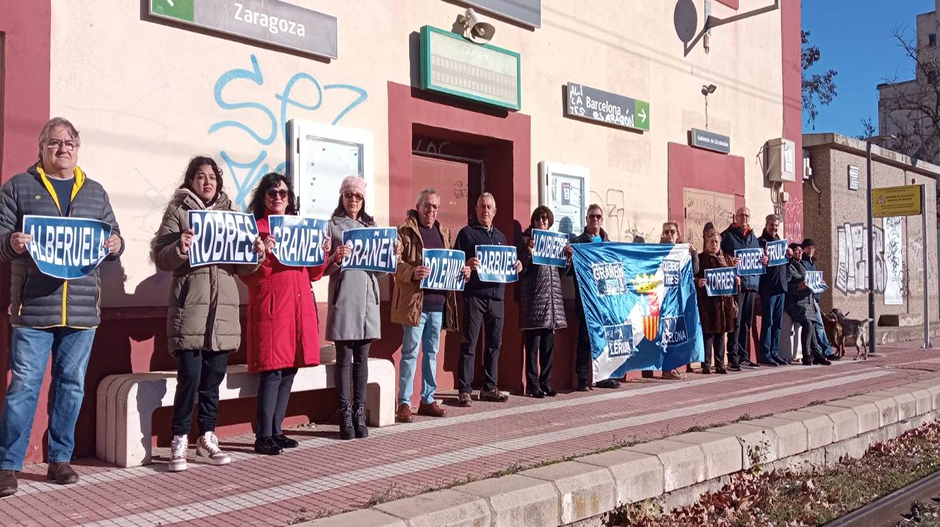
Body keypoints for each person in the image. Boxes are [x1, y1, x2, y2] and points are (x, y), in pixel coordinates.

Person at [0, 118, 124, 495]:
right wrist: (12, 242)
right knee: (23, 387)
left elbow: (112, 235)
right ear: (41, 148)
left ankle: (60, 459)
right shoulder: (19, 187)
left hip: (82, 311)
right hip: (33, 309)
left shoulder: (96, 192)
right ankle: (7, 465)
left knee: (71, 386)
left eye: (70, 142)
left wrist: (116, 245)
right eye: (54, 143)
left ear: (77, 148)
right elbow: (0, 235)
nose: (63, 148)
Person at [152, 156, 265, 472]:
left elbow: (242, 266)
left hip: (223, 313)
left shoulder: (232, 215)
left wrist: (255, 255)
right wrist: (180, 246)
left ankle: (207, 436)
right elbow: (161, 257)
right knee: (189, 377)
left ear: (218, 181)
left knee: (214, 378)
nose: (207, 181)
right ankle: (178, 439)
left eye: (212, 176)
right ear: (191, 181)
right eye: (200, 176)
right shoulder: (178, 212)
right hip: (191, 309)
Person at [241, 173, 330, 455]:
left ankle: (276, 430)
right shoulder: (256, 228)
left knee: (289, 367)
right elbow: (249, 276)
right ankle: (262, 434)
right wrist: (263, 252)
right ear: (263, 197)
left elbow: (314, 273)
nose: (277, 197)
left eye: (282, 193)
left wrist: (323, 252)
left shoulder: (300, 228)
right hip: (272, 307)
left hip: (298, 306)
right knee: (272, 369)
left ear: (289, 198)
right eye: (272, 192)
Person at [392, 188, 470, 421]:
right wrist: (412, 272)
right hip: (415, 305)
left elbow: (452, 265)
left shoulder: (443, 233)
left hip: (438, 305)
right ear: (418, 206)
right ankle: (404, 403)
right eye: (427, 205)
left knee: (432, 354)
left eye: (435, 206)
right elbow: (394, 264)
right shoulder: (404, 231)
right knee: (410, 354)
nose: (431, 210)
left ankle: (428, 399)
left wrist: (463, 270)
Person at [325, 176, 381, 439]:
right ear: (341, 197)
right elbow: (321, 267)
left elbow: (379, 272)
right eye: (349, 196)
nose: (353, 201)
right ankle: (344, 413)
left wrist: (388, 256)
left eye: (358, 197)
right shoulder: (332, 226)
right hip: (345, 300)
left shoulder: (372, 227)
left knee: (362, 361)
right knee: (344, 361)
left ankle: (360, 411)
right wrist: (336, 259)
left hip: (368, 304)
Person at [454, 193, 522, 406]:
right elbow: (455, 264)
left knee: (494, 344)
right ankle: (464, 389)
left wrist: (517, 266)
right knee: (470, 343)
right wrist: (467, 263)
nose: (485, 210)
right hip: (474, 296)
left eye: (489, 207)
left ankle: (489, 387)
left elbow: (507, 266)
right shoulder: (466, 234)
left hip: (497, 298)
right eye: (482, 206)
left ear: (495, 211)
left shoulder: (501, 238)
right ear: (476, 209)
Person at [519, 206, 569, 398]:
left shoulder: (555, 242)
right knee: (533, 347)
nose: (542, 222)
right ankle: (532, 385)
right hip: (534, 302)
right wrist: (528, 253)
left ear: (549, 222)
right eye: (538, 219)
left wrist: (567, 259)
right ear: (533, 222)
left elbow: (561, 273)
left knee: (548, 346)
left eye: (545, 220)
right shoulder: (526, 241)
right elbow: (522, 269)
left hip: (552, 302)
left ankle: (545, 382)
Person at [570, 204, 621, 391]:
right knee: (584, 340)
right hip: (586, 301)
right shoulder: (578, 242)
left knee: (605, 340)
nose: (595, 219)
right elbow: (570, 272)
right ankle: (582, 379)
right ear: (586, 219)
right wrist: (570, 256)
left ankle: (603, 377)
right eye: (591, 216)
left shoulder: (608, 243)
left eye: (598, 216)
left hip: (606, 302)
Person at [720, 207, 767, 370]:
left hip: (752, 285)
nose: (744, 218)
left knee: (746, 321)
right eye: (741, 215)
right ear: (736, 217)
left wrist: (763, 260)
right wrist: (729, 261)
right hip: (736, 285)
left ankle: (743, 356)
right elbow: (720, 256)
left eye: (747, 215)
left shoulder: (753, 237)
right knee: (736, 321)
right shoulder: (727, 236)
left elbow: (758, 257)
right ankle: (733, 357)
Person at [657, 221, 698, 378]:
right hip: (662, 300)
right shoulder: (656, 252)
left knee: (675, 334)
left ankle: (671, 367)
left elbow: (694, 270)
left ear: (677, 235)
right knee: (663, 334)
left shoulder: (682, 252)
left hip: (678, 300)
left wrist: (693, 255)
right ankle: (664, 368)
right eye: (666, 232)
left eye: (672, 232)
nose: (669, 235)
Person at [695, 229, 738, 374]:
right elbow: (692, 277)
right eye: (711, 242)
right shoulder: (701, 259)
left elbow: (734, 278)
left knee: (721, 335)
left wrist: (737, 281)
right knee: (707, 335)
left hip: (724, 304)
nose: (714, 244)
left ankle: (720, 364)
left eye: (716, 242)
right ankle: (706, 364)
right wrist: (698, 282)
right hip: (708, 304)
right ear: (706, 243)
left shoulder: (727, 258)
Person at [785, 243, 831, 366]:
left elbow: (811, 281)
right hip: (795, 303)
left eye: (800, 251)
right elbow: (786, 287)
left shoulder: (803, 265)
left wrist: (819, 283)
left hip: (808, 302)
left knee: (813, 324)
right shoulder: (788, 266)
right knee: (807, 323)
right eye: (796, 251)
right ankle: (807, 355)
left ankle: (817, 354)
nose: (799, 253)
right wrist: (798, 287)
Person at [756, 214, 789, 367]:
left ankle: (775, 352)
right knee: (768, 323)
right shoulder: (760, 242)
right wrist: (763, 260)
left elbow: (785, 264)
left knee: (778, 323)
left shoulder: (781, 243)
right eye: (771, 225)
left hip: (781, 287)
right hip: (768, 288)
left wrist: (789, 256)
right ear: (766, 224)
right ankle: (765, 354)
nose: (774, 228)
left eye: (776, 225)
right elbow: (754, 264)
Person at [801, 239, 837, 360]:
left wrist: (820, 282)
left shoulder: (812, 263)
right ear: (804, 248)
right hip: (808, 298)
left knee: (818, 325)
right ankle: (825, 351)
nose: (810, 250)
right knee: (818, 324)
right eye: (808, 247)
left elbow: (813, 280)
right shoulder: (803, 262)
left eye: (812, 247)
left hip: (814, 297)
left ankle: (823, 351)